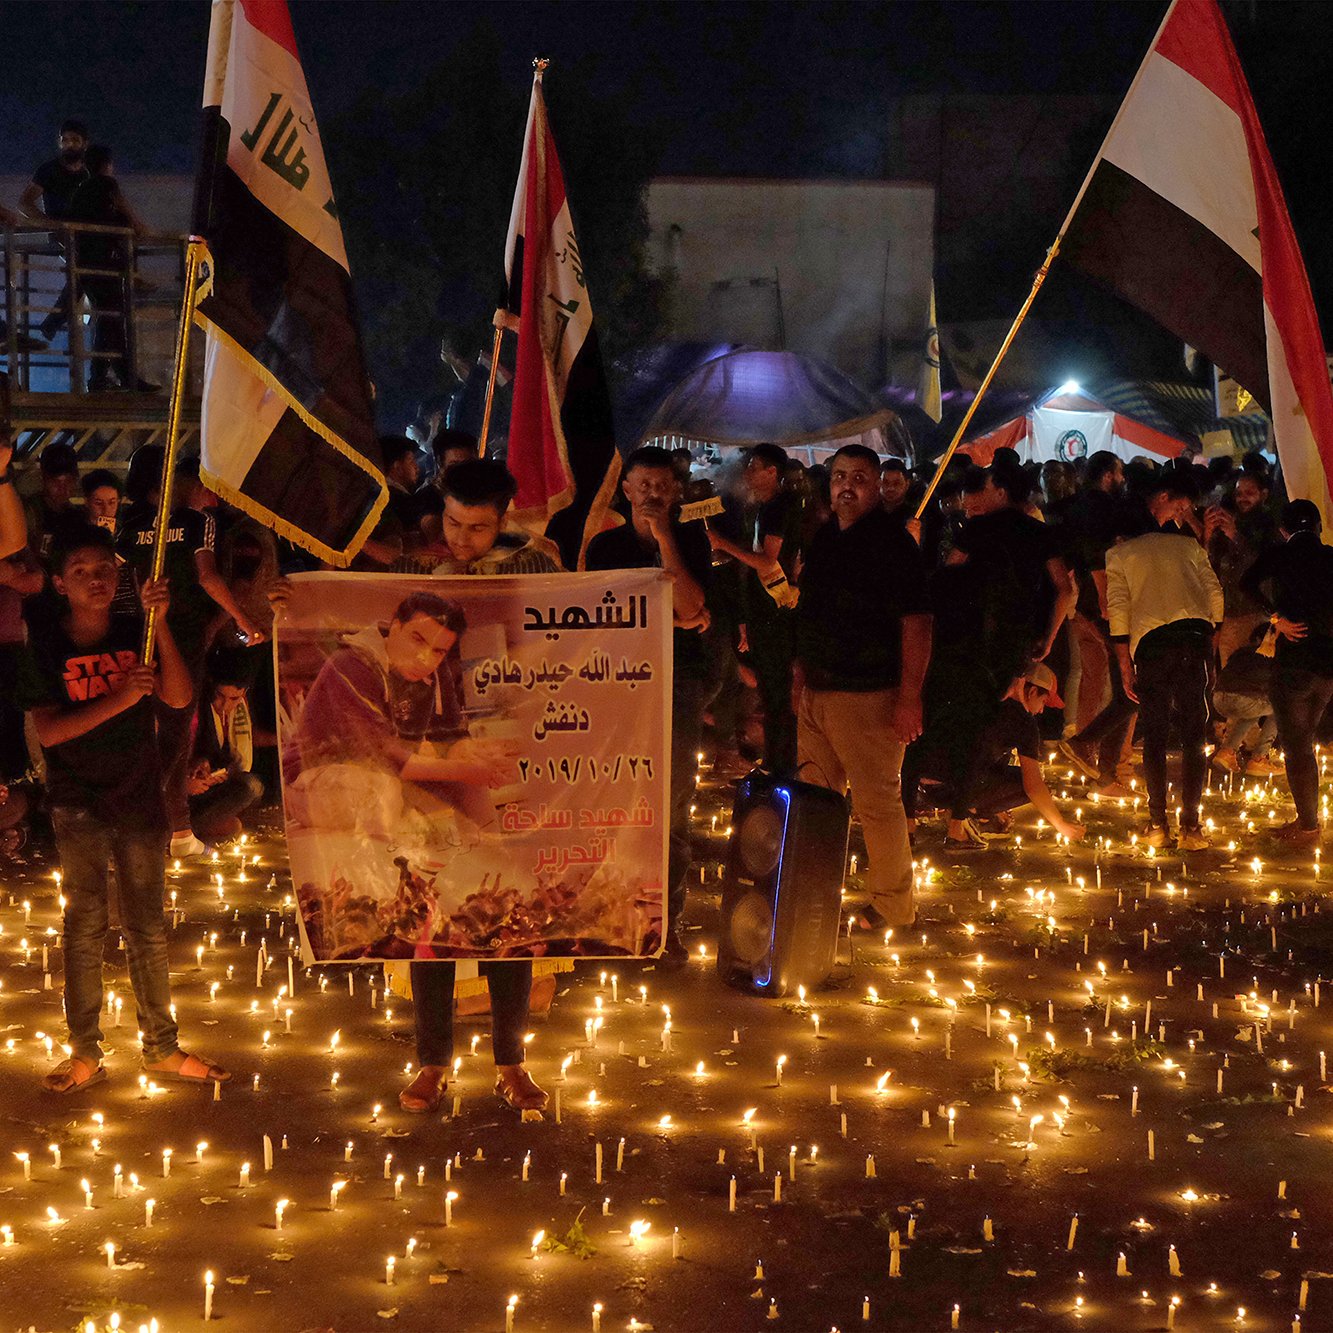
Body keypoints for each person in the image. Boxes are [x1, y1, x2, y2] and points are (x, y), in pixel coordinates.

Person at [287, 589, 543, 1114]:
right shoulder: (353, 666)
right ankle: (433, 1064)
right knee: (426, 897)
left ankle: (511, 1064)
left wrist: (478, 764)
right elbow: (388, 757)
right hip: (334, 779)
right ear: (394, 625)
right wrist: (465, 769)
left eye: (439, 649)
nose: (425, 656)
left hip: (405, 785)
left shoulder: (436, 672)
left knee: (499, 894)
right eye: (418, 639)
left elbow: (449, 740)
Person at [19, 526, 229, 1092]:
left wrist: (161, 624)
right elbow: (51, 731)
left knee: (147, 927)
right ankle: (85, 1051)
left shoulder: (138, 632)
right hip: (78, 799)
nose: (96, 580)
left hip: (138, 795)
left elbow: (178, 697)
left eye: (105, 570)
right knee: (84, 924)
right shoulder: (45, 646)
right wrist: (121, 698)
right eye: (81, 571)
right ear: (60, 583)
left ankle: (161, 1046)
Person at [793, 444, 932, 932]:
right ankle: (812, 896)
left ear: (877, 486)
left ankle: (893, 905)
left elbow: (917, 623)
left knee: (876, 804)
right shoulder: (824, 537)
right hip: (818, 689)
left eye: (858, 478)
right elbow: (809, 611)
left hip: (869, 694)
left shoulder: (893, 544)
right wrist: (799, 676)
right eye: (839, 477)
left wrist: (909, 697)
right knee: (815, 799)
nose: (846, 487)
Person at [587, 444, 710, 966]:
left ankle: (666, 924)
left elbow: (692, 603)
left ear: (676, 491)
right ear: (627, 490)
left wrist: (664, 540)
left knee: (673, 806)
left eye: (662, 486)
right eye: (644, 486)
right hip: (620, 685)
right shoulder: (605, 547)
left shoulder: (690, 539)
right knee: (616, 802)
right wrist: (673, 621)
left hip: (677, 684)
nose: (653, 495)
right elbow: (605, 620)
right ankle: (613, 917)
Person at [119, 452, 264, 858]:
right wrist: (243, 619)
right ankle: (174, 828)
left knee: (144, 729)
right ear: (176, 481)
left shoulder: (129, 525)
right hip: (180, 635)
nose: (208, 495)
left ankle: (156, 825)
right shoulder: (196, 522)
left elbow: (120, 580)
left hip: (136, 635)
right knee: (176, 727)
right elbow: (207, 576)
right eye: (202, 484)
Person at [1107, 473, 1223, 850]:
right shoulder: (1189, 547)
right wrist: (1211, 643)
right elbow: (1215, 595)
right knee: (1193, 734)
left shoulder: (1120, 555)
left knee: (1154, 735)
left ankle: (1158, 824)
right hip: (1193, 637)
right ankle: (1192, 827)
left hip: (1151, 645)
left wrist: (1125, 664)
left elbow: (1118, 611)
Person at [909, 663, 1085, 846]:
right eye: (1043, 702)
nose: (1041, 710)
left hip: (923, 790)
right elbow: (1033, 785)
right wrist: (1061, 824)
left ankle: (966, 811)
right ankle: (968, 814)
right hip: (953, 790)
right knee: (1025, 782)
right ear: (1032, 692)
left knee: (1000, 764)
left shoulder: (982, 698)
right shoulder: (1023, 721)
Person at [1240, 499, 1333, 845]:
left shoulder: (1279, 554)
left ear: (1283, 530)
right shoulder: (1330, 556)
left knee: (1298, 748)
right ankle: (1307, 821)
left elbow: (1246, 584)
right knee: (1304, 743)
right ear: (1319, 528)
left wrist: (1276, 616)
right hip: (1327, 665)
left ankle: (1308, 826)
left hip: (1294, 663)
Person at [706, 443, 802, 773]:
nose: (747, 472)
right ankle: (775, 763)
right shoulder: (762, 507)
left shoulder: (779, 508)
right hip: (764, 610)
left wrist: (723, 544)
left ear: (772, 472)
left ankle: (780, 766)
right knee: (771, 694)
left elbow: (767, 561)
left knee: (777, 695)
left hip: (777, 610)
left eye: (754, 466)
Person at [1059, 452, 1138, 795]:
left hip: (1085, 605)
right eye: (1119, 474)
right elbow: (1096, 554)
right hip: (1102, 605)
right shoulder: (1102, 507)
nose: (1122, 480)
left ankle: (1104, 772)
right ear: (1108, 475)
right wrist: (1106, 599)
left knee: (1116, 687)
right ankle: (1087, 747)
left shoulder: (1075, 505)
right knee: (1130, 689)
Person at [66, 145, 158, 392]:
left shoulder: (81, 190)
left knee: (107, 319)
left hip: (86, 265)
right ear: (107, 165)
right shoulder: (107, 184)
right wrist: (142, 229)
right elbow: (127, 211)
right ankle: (123, 377)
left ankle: (101, 378)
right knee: (113, 319)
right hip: (104, 265)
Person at [19, 118, 90, 342]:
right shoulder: (49, 170)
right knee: (86, 269)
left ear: (85, 144)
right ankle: (53, 323)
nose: (69, 144)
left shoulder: (88, 173)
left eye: (74, 140)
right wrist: (50, 224)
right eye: (65, 140)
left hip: (86, 233)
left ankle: (53, 323)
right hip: (61, 234)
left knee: (89, 271)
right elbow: (25, 203)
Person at [188, 647, 264, 843]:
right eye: (220, 696)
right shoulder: (196, 707)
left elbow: (224, 759)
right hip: (179, 793)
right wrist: (188, 779)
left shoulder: (240, 709)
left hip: (206, 788)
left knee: (252, 788)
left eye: (234, 698)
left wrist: (210, 768)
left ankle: (193, 830)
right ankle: (180, 831)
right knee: (248, 790)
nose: (225, 705)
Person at [1205, 471, 1277, 666]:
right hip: (1228, 615)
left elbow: (1262, 566)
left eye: (1249, 493)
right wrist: (1208, 533)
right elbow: (1211, 564)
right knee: (1230, 671)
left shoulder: (1269, 526)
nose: (1242, 498)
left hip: (1256, 614)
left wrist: (1234, 536)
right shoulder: (1231, 521)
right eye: (1239, 493)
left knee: (1257, 672)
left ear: (1263, 494)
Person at [1210, 626, 1280, 778]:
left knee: (1253, 709)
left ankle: (1227, 752)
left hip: (1219, 699)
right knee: (1280, 709)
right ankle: (1259, 758)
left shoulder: (1241, 653)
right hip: (1244, 700)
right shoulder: (1271, 655)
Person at [25, 440, 87, 564]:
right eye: (56, 481)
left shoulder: (77, 516)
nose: (62, 488)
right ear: (43, 479)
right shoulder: (30, 512)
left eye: (68, 481)